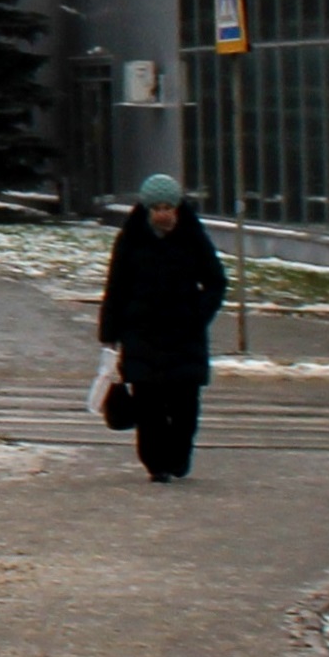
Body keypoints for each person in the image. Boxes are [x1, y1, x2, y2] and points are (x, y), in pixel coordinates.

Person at [99, 173, 227, 481]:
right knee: (149, 406)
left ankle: (178, 457)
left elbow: (216, 282)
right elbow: (116, 287)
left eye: (169, 207)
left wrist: (197, 315)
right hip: (141, 335)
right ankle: (156, 464)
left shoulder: (193, 237)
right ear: (146, 209)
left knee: (184, 407)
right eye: (156, 208)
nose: (163, 214)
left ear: (178, 208)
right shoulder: (131, 239)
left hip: (185, 336)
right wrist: (109, 334)